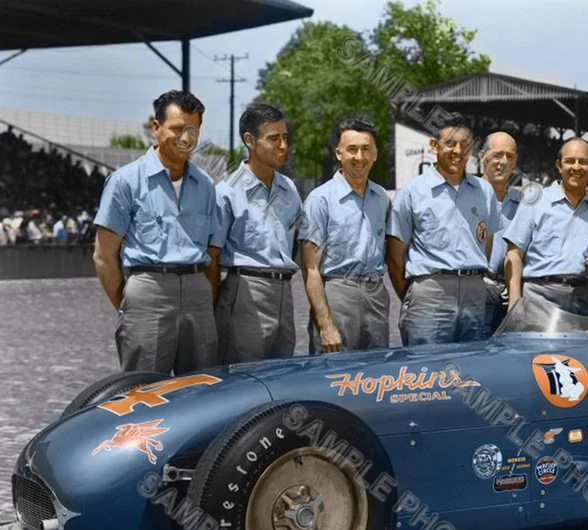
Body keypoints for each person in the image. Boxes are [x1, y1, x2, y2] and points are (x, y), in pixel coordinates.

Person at [92, 90, 218, 374]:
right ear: (156, 128)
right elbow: (103, 256)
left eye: (193, 131)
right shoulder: (125, 182)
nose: (185, 138)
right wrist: (128, 305)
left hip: (198, 292)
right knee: (144, 393)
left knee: (202, 390)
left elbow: (211, 251)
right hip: (149, 292)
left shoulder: (207, 185)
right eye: (176, 129)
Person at [387, 113, 499, 345]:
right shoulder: (411, 193)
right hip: (430, 293)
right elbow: (394, 256)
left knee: (470, 368)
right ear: (434, 146)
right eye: (450, 143)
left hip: (474, 294)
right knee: (426, 371)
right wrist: (416, 294)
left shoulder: (485, 191)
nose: (458, 150)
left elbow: (486, 241)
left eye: (464, 144)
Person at [210, 103, 302, 364]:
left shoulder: (289, 189)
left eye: (285, 138)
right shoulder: (227, 192)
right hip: (245, 293)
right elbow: (212, 258)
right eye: (274, 139)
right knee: (243, 375)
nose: (283, 146)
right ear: (249, 140)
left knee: (280, 373)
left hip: (284, 292)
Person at [300, 117, 390, 352]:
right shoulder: (320, 200)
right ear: (339, 153)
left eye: (365, 149)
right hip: (337, 295)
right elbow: (310, 269)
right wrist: (325, 325)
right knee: (334, 377)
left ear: (375, 154)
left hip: (376, 296)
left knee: (375, 378)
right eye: (352, 149)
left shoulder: (382, 199)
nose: (359, 157)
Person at [503, 138, 588, 316]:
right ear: (559, 166)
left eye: (583, 162)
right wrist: (515, 302)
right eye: (569, 161)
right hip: (540, 296)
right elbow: (513, 254)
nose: (576, 167)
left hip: (584, 299)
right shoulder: (534, 201)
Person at [479, 131, 520, 336]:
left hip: (512, 297)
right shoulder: (465, 196)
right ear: (482, 156)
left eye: (509, 157)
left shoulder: (524, 203)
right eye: (497, 155)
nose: (503, 162)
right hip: (475, 296)